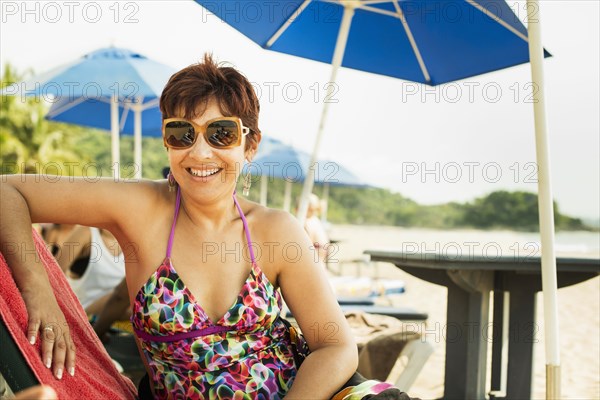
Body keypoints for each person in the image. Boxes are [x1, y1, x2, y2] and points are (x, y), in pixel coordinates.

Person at [0, 55, 405, 399]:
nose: (199, 151)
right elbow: (8, 191)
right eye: (181, 133)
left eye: (221, 133)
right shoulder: (139, 209)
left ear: (250, 145)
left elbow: (334, 345)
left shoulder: (276, 230)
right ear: (166, 141)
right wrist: (41, 292)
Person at [303, 193, 331, 265]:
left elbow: (306, 246)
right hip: (321, 260)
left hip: (314, 261)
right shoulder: (316, 220)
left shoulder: (308, 222)